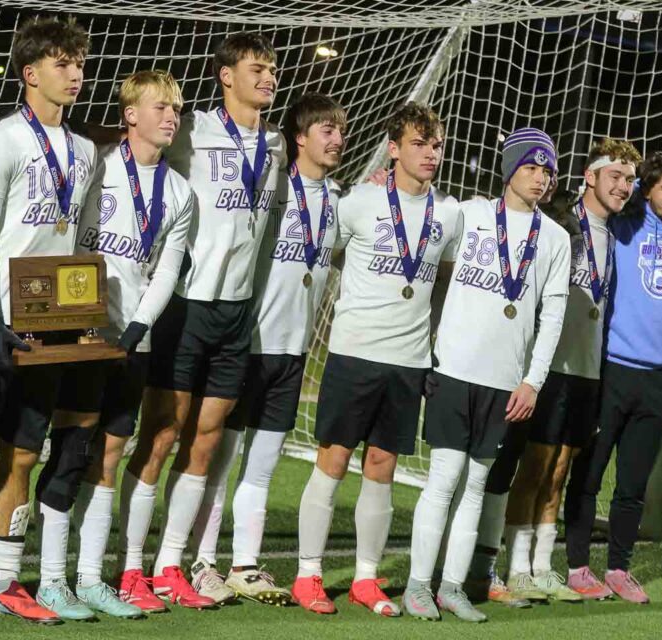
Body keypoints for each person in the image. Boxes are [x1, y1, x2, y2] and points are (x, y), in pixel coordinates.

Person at [118, 31, 285, 611]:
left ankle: (169, 565)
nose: (267, 77)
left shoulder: (278, 144)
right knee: (163, 433)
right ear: (226, 76)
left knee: (206, 441)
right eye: (256, 68)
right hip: (185, 305)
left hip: (236, 314)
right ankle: (130, 564)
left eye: (271, 68)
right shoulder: (191, 131)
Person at [286, 101, 459, 616]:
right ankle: (308, 573)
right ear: (393, 148)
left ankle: (365, 577)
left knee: (382, 464)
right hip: (355, 351)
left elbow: (445, 278)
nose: (430, 153)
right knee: (334, 458)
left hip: (409, 359)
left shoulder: (448, 213)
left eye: (436, 145)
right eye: (418, 143)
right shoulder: (358, 202)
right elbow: (329, 253)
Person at [0, 17, 96, 625]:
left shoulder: (86, 152)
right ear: (31, 73)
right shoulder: (2, 141)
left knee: (23, 454)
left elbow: (80, 241)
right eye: (63, 63)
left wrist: (82, 315)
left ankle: (5, 580)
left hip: (52, 325)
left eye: (80, 63)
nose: (77, 73)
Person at [187, 93, 349, 607]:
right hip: (247, 343)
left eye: (340, 130)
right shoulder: (271, 190)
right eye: (326, 129)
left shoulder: (340, 201)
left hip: (293, 353)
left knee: (262, 465)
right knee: (219, 460)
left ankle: (245, 565)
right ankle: (200, 560)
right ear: (298, 137)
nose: (337, 139)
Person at [403, 128, 571, 623]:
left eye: (548, 171)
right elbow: (419, 218)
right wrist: (388, 183)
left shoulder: (556, 239)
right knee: (442, 481)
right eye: (531, 167)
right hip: (454, 370)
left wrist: (532, 381)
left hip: (506, 383)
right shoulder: (470, 215)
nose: (540, 179)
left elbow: (553, 316)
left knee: (475, 486)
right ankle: (418, 585)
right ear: (509, 170)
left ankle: (453, 586)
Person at [46, 69, 193, 619]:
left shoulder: (180, 193)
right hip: (79, 335)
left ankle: (89, 578)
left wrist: (136, 330)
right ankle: (51, 578)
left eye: (175, 108)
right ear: (131, 114)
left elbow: (165, 272)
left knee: (109, 453)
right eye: (159, 107)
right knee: (68, 450)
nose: (170, 116)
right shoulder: (95, 167)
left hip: (132, 342)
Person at [472, 139, 642, 605]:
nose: (624, 187)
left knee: (559, 470)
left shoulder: (621, 235)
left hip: (588, 368)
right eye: (615, 177)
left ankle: (543, 567)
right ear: (590, 176)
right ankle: (512, 566)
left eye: (630, 180)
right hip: (549, 365)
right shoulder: (559, 223)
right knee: (532, 467)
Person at [562, 152, 662, 604]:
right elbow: (580, 211)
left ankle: (619, 568)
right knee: (589, 476)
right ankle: (576, 565)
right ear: (647, 192)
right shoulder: (623, 226)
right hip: (612, 369)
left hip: (659, 377)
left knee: (633, 485)